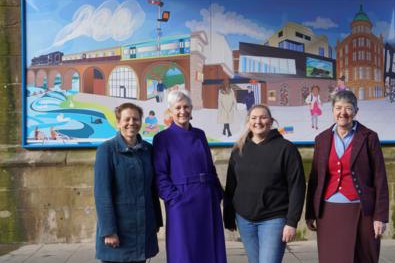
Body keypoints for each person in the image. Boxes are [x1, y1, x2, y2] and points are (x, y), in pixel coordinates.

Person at [305, 90, 389, 263]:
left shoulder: (369, 138)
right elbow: (315, 179)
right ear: (333, 111)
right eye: (338, 108)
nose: (343, 113)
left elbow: (380, 178)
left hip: (362, 210)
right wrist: (310, 213)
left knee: (363, 257)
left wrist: (380, 216)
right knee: (332, 257)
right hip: (328, 211)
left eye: (348, 108)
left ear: (356, 112)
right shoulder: (321, 139)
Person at [224, 104, 306, 263]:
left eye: (263, 117)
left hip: (274, 219)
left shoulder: (286, 149)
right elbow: (231, 186)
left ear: (271, 121)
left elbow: (297, 187)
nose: (258, 121)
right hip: (245, 220)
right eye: (254, 118)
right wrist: (228, 217)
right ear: (248, 122)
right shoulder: (238, 150)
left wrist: (291, 222)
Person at [153, 90, 227, 263]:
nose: (182, 111)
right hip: (181, 202)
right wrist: (174, 199)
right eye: (177, 107)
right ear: (170, 111)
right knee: (184, 251)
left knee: (210, 249)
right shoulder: (162, 138)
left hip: (207, 200)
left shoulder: (200, 134)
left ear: (192, 109)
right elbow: (160, 175)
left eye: (186, 107)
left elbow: (210, 166)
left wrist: (217, 193)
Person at [94, 103, 162, 263]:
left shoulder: (148, 150)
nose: (131, 123)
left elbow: (152, 189)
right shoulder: (106, 150)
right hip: (119, 230)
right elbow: (102, 193)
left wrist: (156, 221)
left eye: (136, 119)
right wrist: (109, 230)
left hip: (143, 227)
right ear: (118, 123)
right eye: (127, 119)